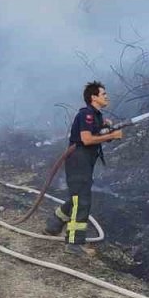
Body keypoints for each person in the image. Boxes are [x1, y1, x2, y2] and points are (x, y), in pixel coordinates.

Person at [45, 81, 122, 256]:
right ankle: (74, 243)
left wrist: (107, 129)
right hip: (78, 161)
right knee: (82, 201)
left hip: (84, 162)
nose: (106, 96)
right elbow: (86, 139)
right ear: (93, 97)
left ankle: (54, 224)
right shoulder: (86, 114)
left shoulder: (96, 116)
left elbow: (98, 135)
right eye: (103, 94)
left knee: (77, 198)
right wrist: (112, 134)